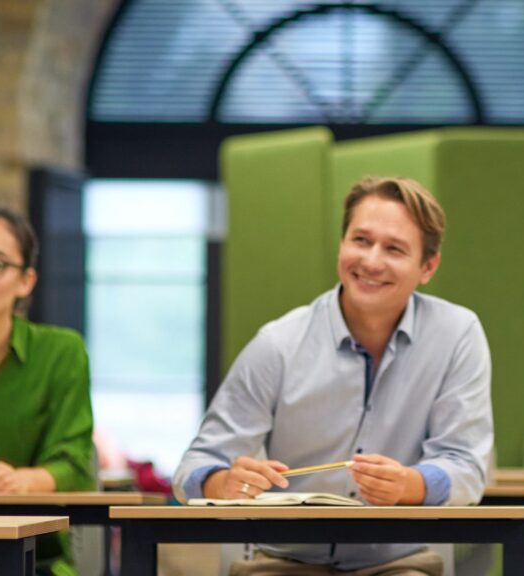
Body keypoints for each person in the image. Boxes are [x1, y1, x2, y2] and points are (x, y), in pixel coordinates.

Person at [174, 176, 493, 575]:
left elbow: (467, 467)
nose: (371, 261)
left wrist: (409, 484)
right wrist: (221, 483)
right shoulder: (278, 343)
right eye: (361, 240)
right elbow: (195, 465)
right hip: (284, 562)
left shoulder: (457, 335)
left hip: (397, 564)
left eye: (394, 249)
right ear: (342, 244)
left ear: (427, 267)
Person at [0, 207, 94, 576]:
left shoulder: (61, 352)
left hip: (36, 558)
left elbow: (75, 462)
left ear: (25, 281)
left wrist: (25, 480)